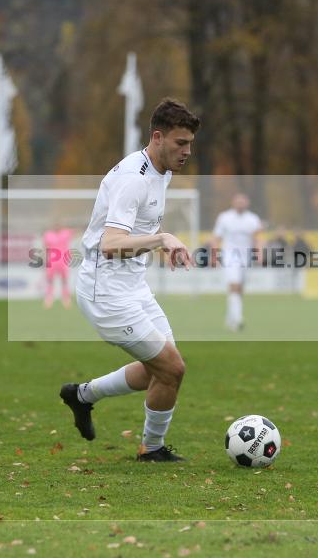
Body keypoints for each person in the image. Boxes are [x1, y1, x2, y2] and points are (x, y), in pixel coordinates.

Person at [60, 98, 199, 462]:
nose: (187, 152)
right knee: (172, 368)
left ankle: (82, 395)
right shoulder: (131, 180)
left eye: (190, 144)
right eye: (180, 143)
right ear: (157, 137)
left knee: (158, 372)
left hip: (134, 287)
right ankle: (151, 449)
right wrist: (161, 239)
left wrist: (161, 241)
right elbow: (110, 245)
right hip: (105, 292)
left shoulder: (162, 171)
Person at [211, 193, 263, 331]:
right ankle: (238, 318)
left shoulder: (253, 219)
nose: (240, 204)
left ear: (247, 203)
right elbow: (216, 238)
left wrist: (259, 253)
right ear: (233, 203)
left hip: (246, 257)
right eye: (238, 201)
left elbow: (257, 238)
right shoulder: (224, 217)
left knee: (239, 289)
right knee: (234, 285)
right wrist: (214, 256)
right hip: (230, 255)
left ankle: (231, 318)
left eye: (243, 201)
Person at [43, 224, 74, 308]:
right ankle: (49, 298)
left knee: (64, 280)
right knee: (50, 280)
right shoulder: (48, 235)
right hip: (52, 261)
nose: (57, 226)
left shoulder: (65, 233)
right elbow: (45, 246)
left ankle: (66, 298)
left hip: (63, 261)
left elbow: (77, 231)